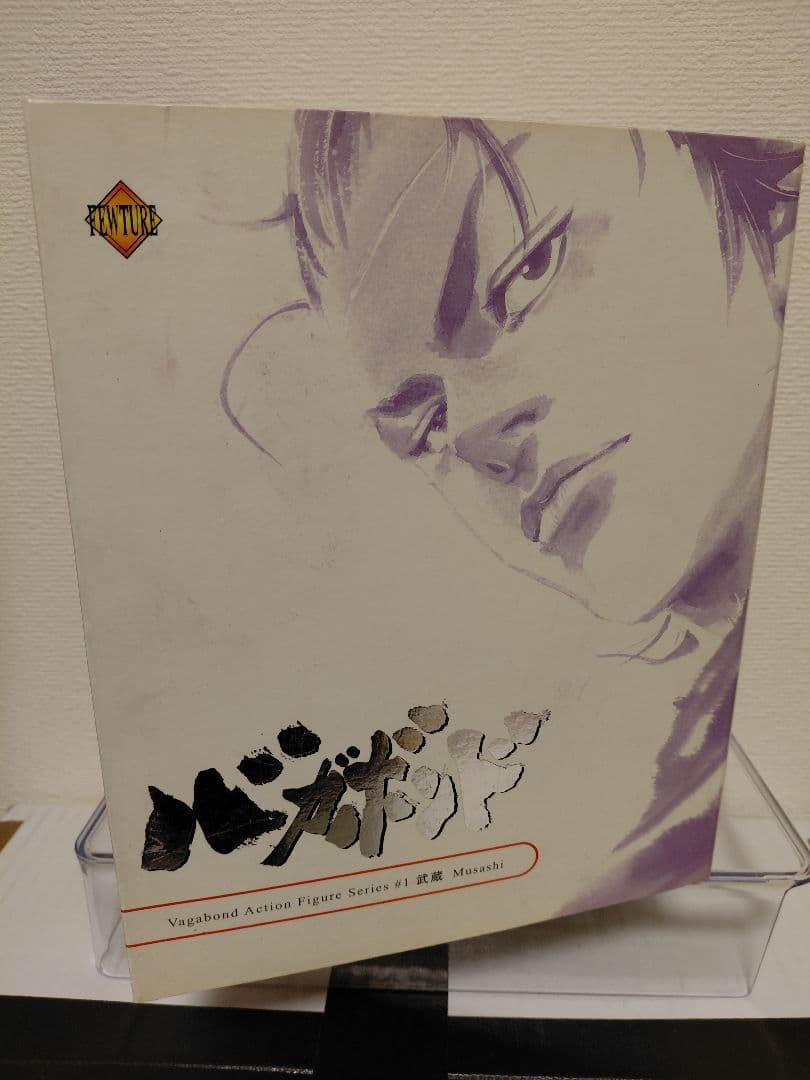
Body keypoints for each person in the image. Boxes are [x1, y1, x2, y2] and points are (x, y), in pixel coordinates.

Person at [222, 111, 803, 909]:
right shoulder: (616, 809)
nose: (472, 436)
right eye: (423, 425)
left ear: (752, 190)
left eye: (530, 269)